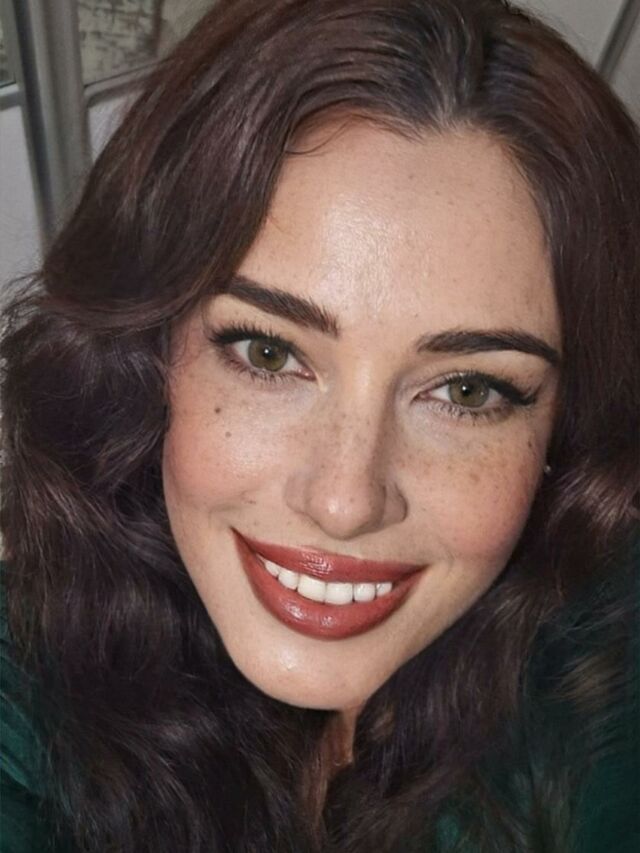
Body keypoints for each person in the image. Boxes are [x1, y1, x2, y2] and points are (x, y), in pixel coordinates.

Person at [1, 1, 638, 851]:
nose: (344, 501)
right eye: (268, 353)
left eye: (468, 390)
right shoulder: (24, 693)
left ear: (563, 431)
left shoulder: (601, 660)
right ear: (144, 353)